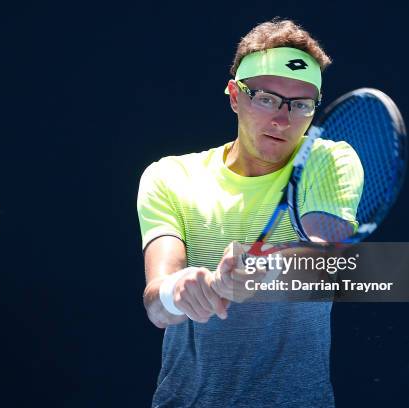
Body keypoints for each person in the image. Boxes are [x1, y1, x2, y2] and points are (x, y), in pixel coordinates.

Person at [137, 18, 362, 408]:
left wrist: (264, 270)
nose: (282, 119)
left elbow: (326, 264)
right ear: (234, 96)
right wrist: (182, 290)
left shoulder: (327, 159)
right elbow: (156, 305)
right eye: (266, 98)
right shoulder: (170, 176)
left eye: (301, 105)